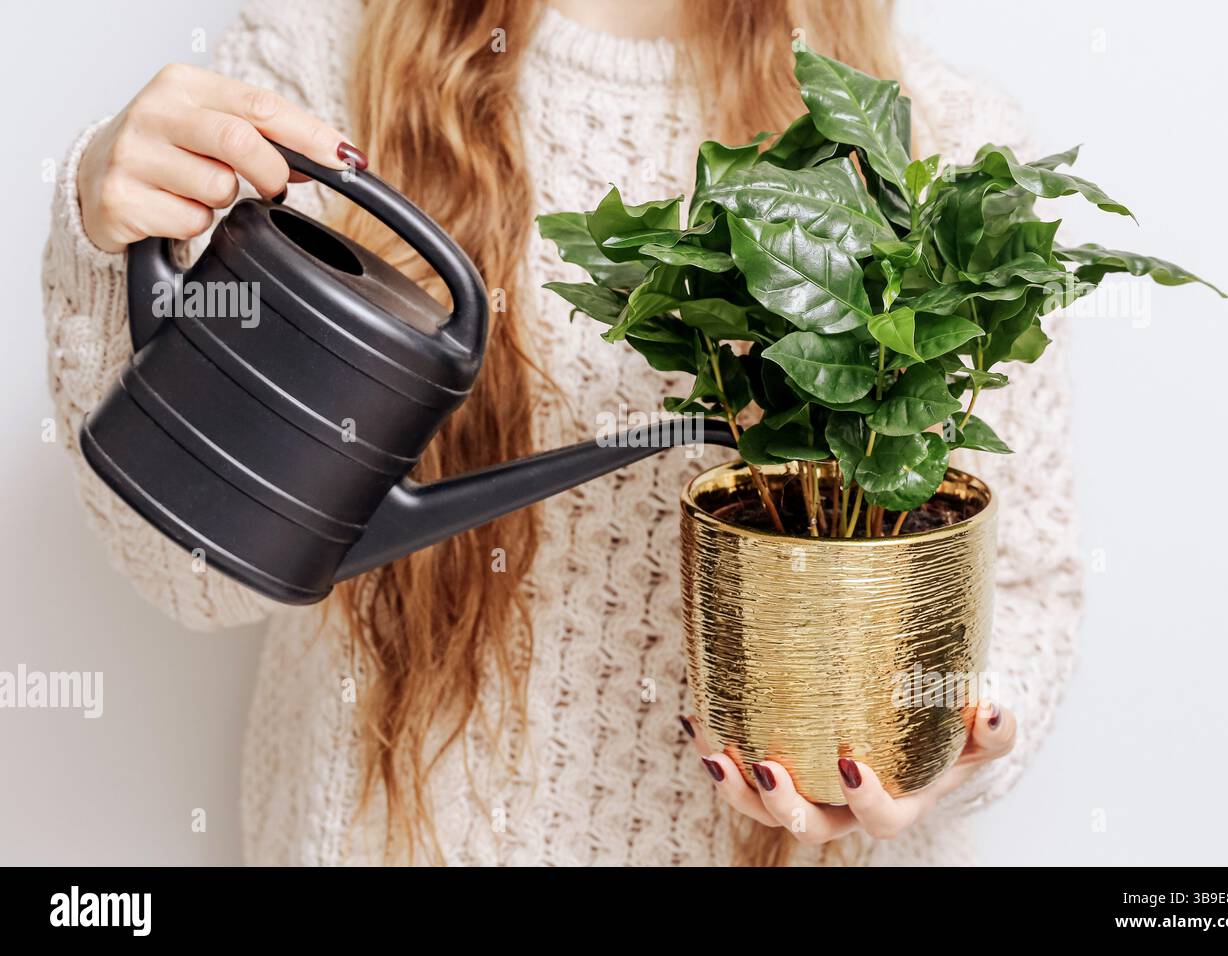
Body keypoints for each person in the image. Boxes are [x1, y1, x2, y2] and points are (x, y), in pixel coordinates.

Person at [43, 0, 1082, 865]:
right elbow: (198, 572)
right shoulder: (322, 64)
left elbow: (1027, 591)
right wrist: (112, 233)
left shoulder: (937, 145)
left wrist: (934, 733)